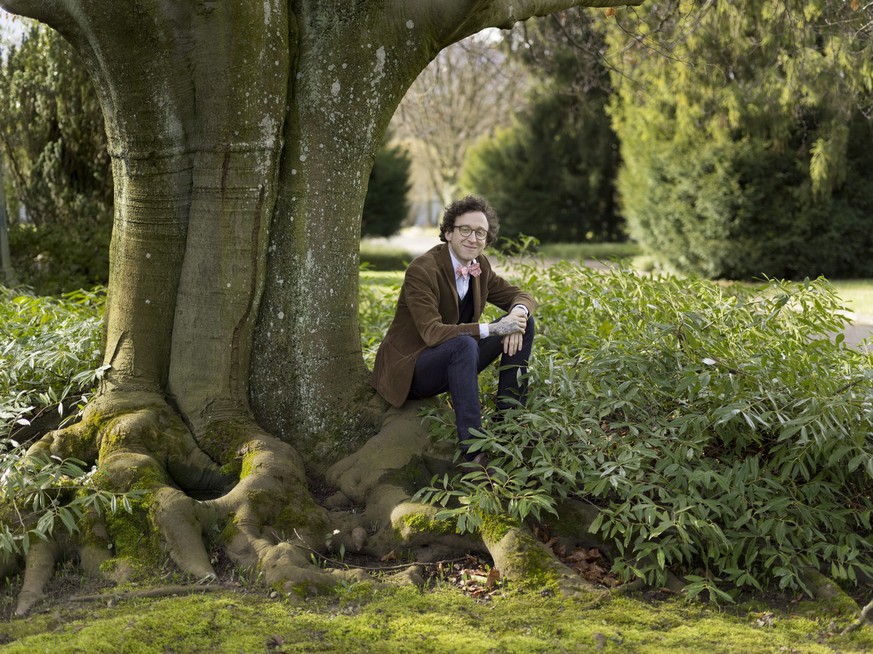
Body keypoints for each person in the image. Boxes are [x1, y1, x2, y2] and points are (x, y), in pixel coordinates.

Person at [372, 195, 535, 465]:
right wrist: (493, 329)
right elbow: (433, 334)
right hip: (412, 368)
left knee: (524, 322)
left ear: (487, 238)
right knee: (465, 343)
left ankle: (510, 425)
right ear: (448, 232)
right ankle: (474, 452)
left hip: (453, 361)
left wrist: (517, 315)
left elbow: (521, 296)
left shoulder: (479, 266)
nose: (473, 238)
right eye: (465, 230)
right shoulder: (422, 270)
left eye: (480, 233)